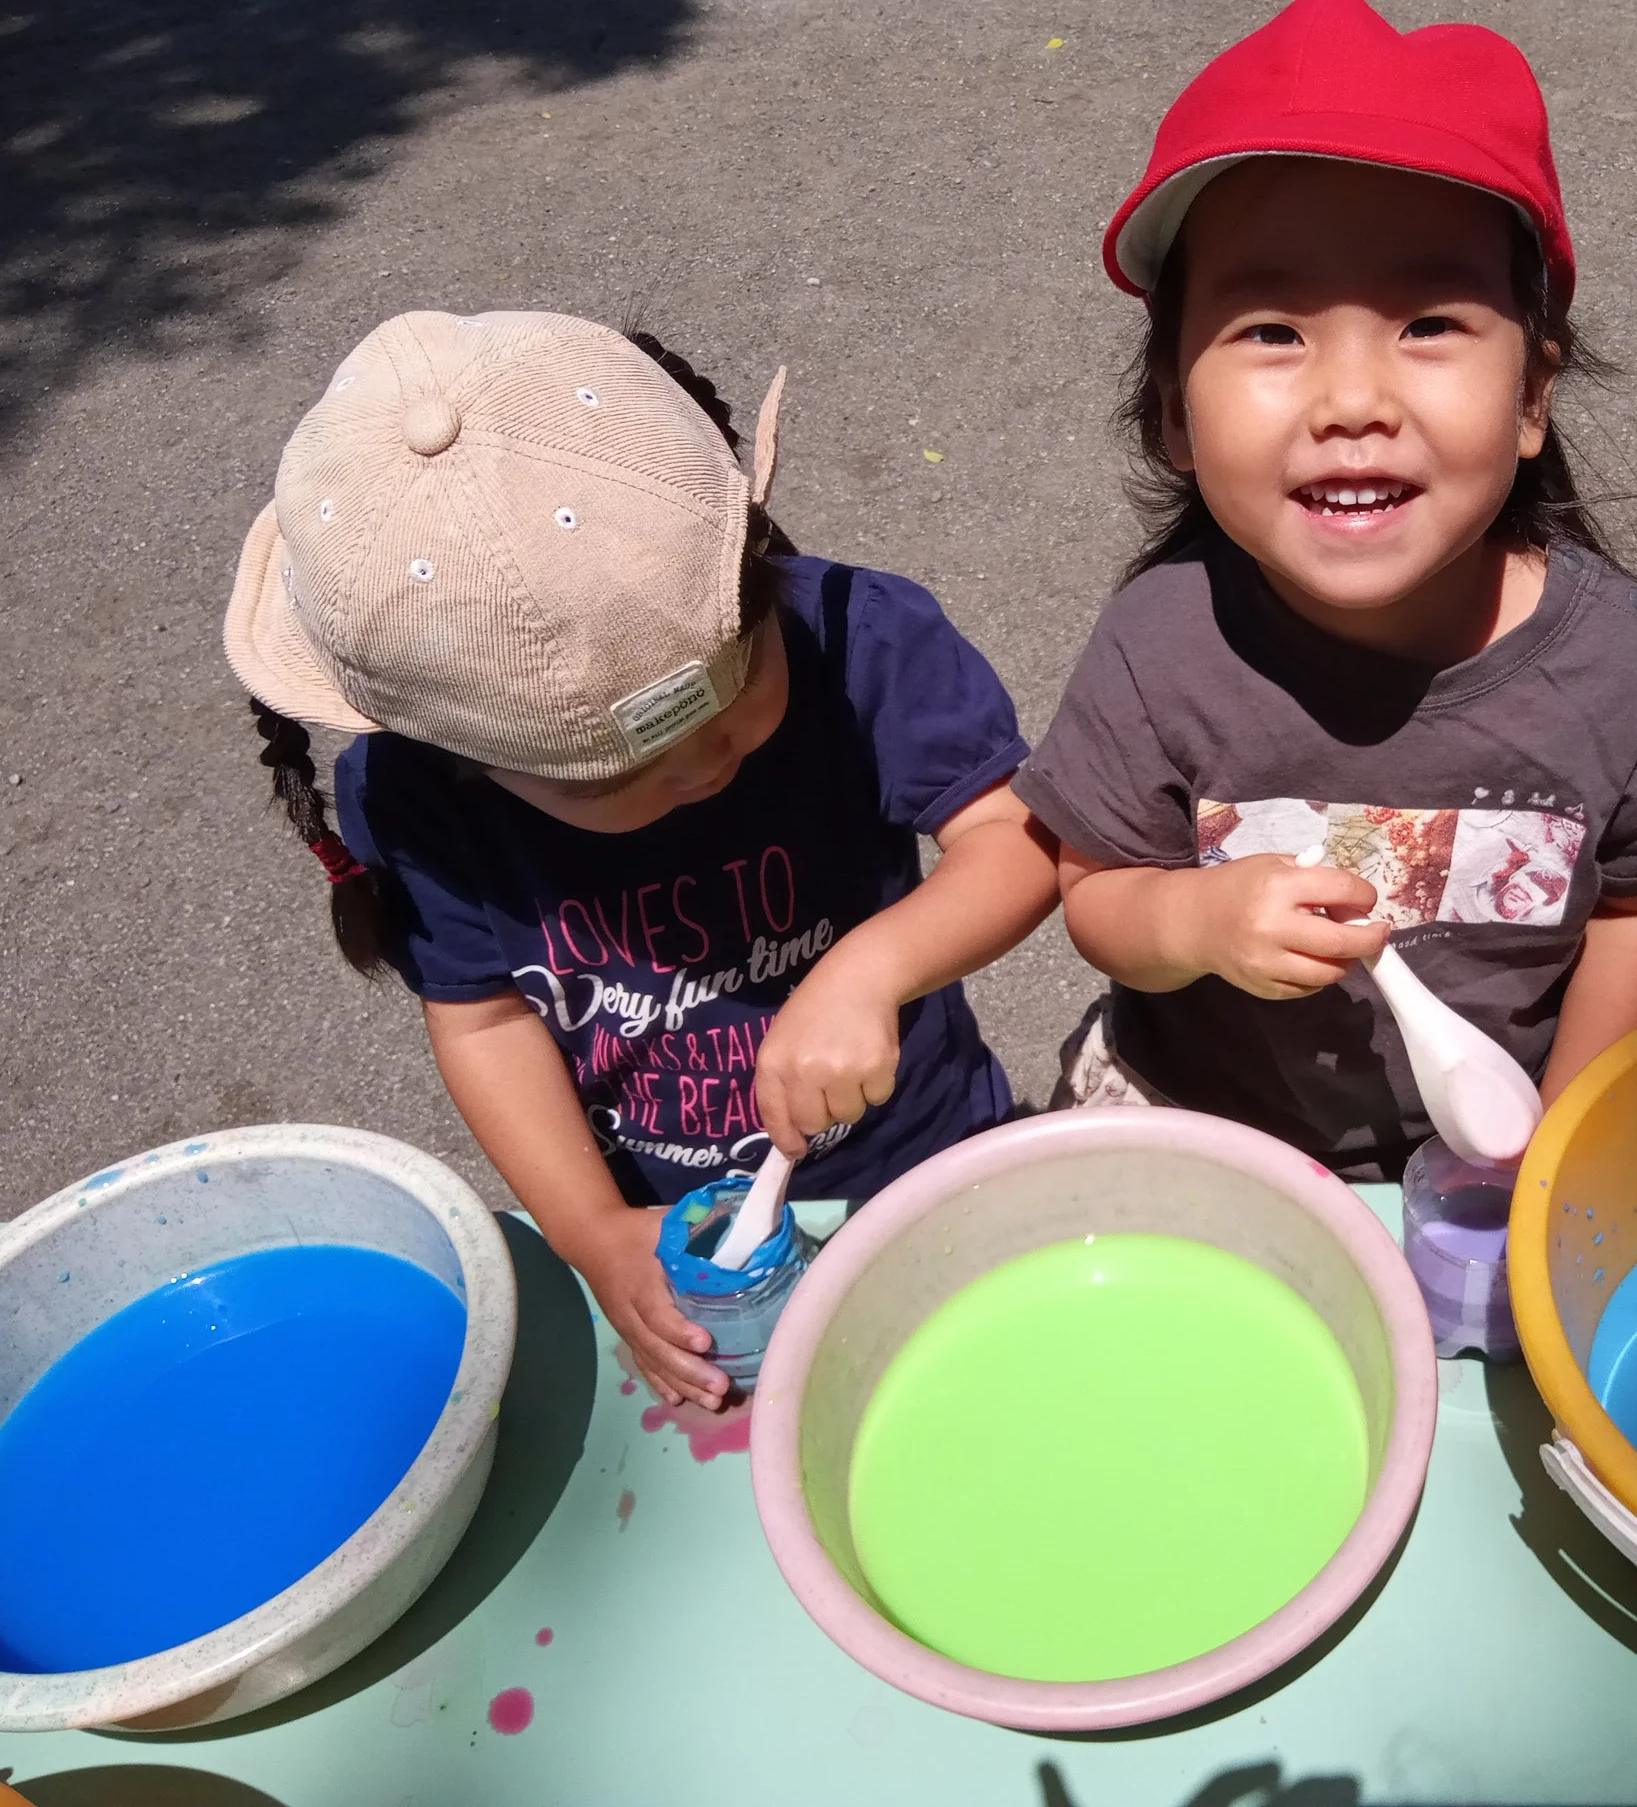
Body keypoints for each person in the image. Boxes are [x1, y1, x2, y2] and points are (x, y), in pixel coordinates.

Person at [225, 311, 1057, 1409]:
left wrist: (874, 966)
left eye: (735, 691)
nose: (706, 766)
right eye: (614, 777)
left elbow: (1017, 840)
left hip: (928, 1156)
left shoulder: (857, 640)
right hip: (674, 1228)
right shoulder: (420, 799)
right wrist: (591, 1230)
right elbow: (485, 1021)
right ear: (461, 761)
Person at [1016, 0, 1637, 1177]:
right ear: (1172, 413)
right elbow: (1096, 886)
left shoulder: (1618, 666)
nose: (1353, 399)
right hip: (1190, 1114)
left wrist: (1559, 1138)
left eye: (1426, 323)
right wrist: (1193, 922)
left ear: (1531, 397)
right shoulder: (1161, 640)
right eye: (1272, 330)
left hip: (1480, 1138)